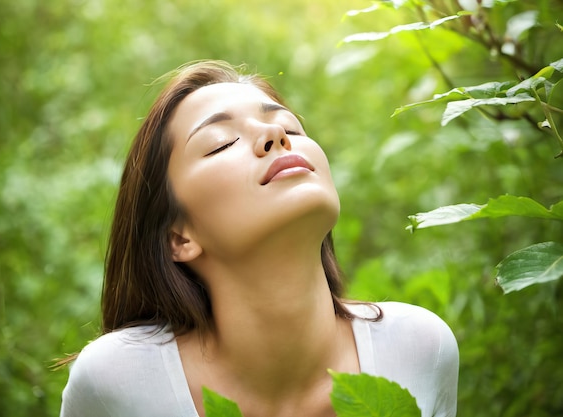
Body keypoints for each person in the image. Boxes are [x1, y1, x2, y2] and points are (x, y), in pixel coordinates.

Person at [59, 60, 459, 417]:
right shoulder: (118, 383)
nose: (274, 134)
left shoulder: (420, 349)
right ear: (178, 237)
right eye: (221, 143)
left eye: (290, 128)